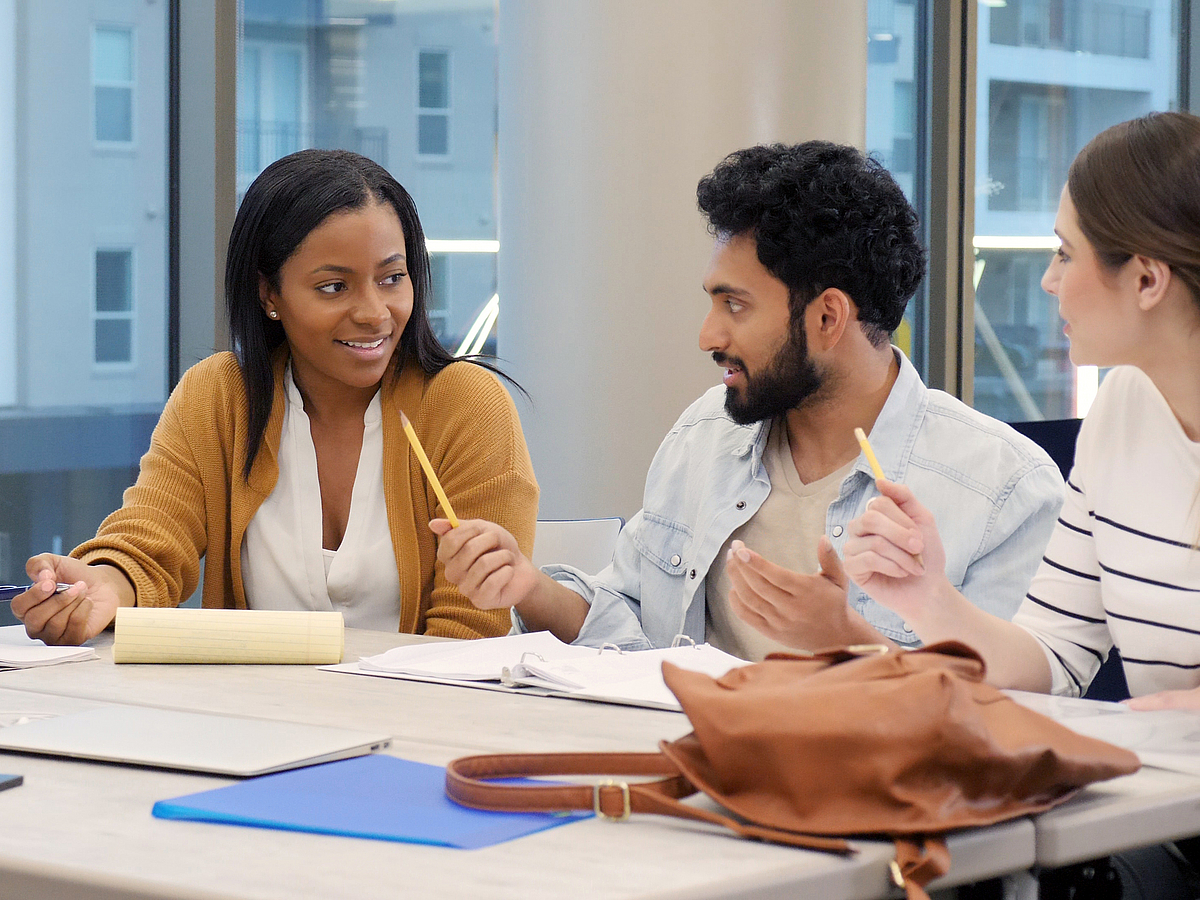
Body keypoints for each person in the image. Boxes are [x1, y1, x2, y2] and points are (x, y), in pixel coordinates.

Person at [433, 141, 1063, 659]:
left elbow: (1009, 716)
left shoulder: (1005, 487)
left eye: (734, 305)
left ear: (827, 317)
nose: (708, 336)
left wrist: (850, 643)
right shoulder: (707, 431)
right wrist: (529, 587)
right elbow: (631, 623)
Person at [14, 149, 538, 645]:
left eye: (392, 278)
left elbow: (471, 633)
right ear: (269, 294)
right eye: (334, 287)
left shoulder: (467, 405)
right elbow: (149, 548)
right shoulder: (220, 396)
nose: (375, 312)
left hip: (424, 725)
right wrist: (101, 589)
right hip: (252, 725)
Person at [841, 111, 1200, 709]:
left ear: (1146, 280)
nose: (1048, 281)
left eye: (1065, 253)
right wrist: (926, 596)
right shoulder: (1120, 409)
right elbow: (1053, 654)